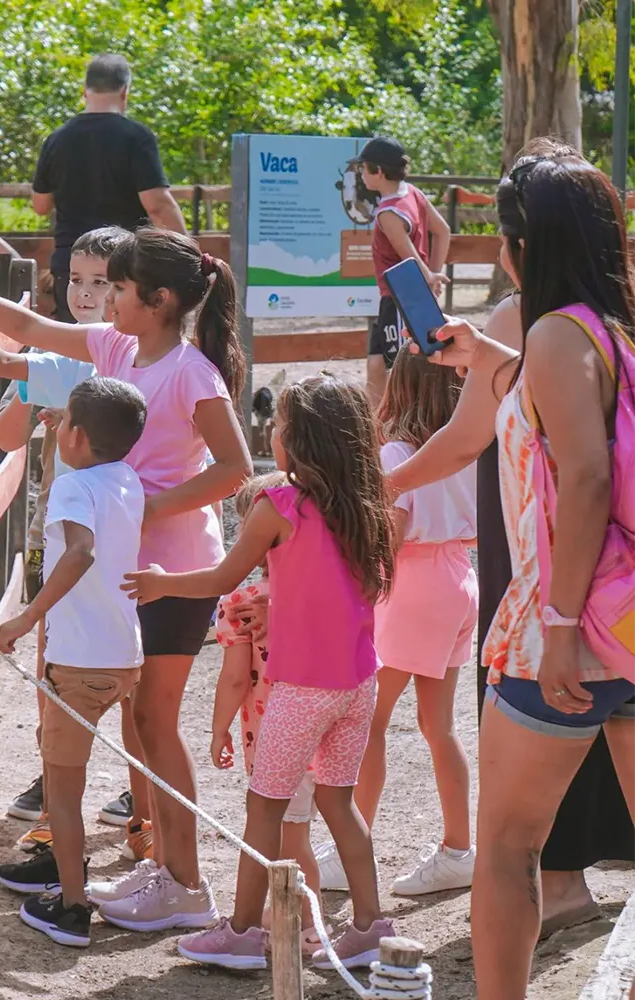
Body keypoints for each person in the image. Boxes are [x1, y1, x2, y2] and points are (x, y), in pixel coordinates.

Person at [0, 227, 252, 930]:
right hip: (114, 567)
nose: (106, 298)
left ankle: (186, 881)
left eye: (119, 288)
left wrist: (141, 511)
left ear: (160, 300)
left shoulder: (194, 374)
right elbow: (23, 326)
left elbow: (235, 469)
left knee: (154, 726)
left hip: (170, 573)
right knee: (136, 721)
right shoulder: (115, 347)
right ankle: (162, 870)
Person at [386, 139, 635, 938]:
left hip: (577, 609)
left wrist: (558, 627)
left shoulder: (550, 329)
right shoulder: (615, 326)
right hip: (625, 605)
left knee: (504, 846)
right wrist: (494, 362)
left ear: (524, 245)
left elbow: (585, 475)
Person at [124, 374, 396, 970]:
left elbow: (223, 579)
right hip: (358, 684)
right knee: (338, 802)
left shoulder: (279, 505)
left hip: (301, 691)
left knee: (264, 810)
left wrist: (162, 583)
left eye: (278, 428)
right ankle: (372, 924)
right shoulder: (365, 507)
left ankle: (245, 931)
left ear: (302, 443)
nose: (271, 435)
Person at [0, 227, 155, 863]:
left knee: (120, 658)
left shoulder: (127, 355)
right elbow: (6, 438)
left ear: (122, 290)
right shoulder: (50, 356)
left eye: (102, 283)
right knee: (53, 656)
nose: (87, 295)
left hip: (116, 539)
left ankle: (133, 794)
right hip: (48, 537)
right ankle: (55, 768)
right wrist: (37, 401)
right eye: (76, 282)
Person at [0, 376, 147, 948]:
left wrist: (26, 616)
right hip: (127, 657)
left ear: (74, 435)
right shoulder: (129, 479)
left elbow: (79, 550)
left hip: (76, 662)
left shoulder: (68, 486)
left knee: (63, 789)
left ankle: (74, 906)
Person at [319, 345, 477, 896]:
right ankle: (459, 847)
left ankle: (352, 847)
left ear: (400, 388)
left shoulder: (394, 453)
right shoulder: (467, 450)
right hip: (459, 577)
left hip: (412, 587)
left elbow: (393, 534)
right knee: (440, 727)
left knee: (371, 723)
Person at [212, 470, 322, 952]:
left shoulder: (239, 601)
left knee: (287, 835)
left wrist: (218, 730)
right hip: (322, 726)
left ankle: (305, 930)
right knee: (297, 830)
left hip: (274, 733)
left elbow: (236, 677)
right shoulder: (318, 593)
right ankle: (293, 919)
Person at [31, 53, 186, 321]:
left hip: (73, 269)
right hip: (123, 270)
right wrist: (188, 254)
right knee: (126, 353)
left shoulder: (57, 139)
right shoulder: (136, 138)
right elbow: (158, 206)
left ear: (84, 92)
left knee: (76, 350)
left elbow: (40, 205)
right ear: (125, 92)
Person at [352, 136, 451, 409]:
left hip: (402, 297)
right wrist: (433, 273)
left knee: (399, 369)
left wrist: (429, 277)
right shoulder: (413, 193)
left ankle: (399, 430)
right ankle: (376, 430)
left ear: (379, 172)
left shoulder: (388, 212)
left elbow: (407, 253)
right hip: (395, 297)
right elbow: (443, 232)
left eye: (364, 168)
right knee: (375, 364)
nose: (361, 174)